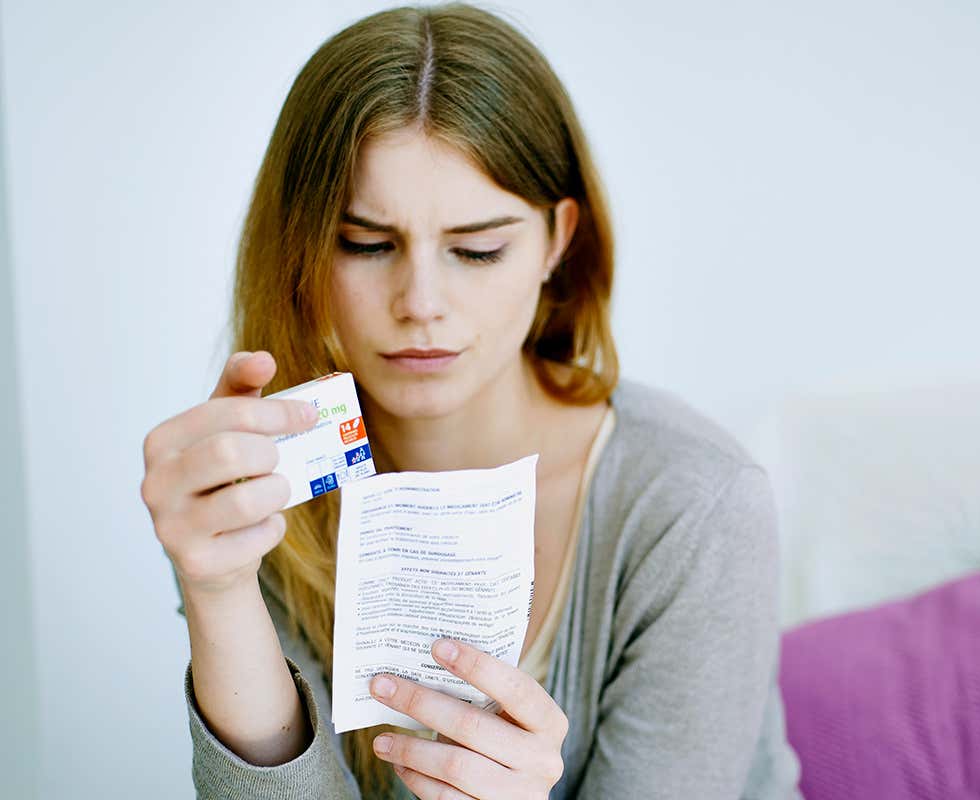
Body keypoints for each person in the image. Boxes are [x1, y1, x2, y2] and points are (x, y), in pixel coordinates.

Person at [138, 3, 801, 798]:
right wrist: (217, 592)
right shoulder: (260, 491)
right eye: (366, 244)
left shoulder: (695, 507)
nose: (421, 303)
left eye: (478, 249)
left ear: (557, 240)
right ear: (302, 247)